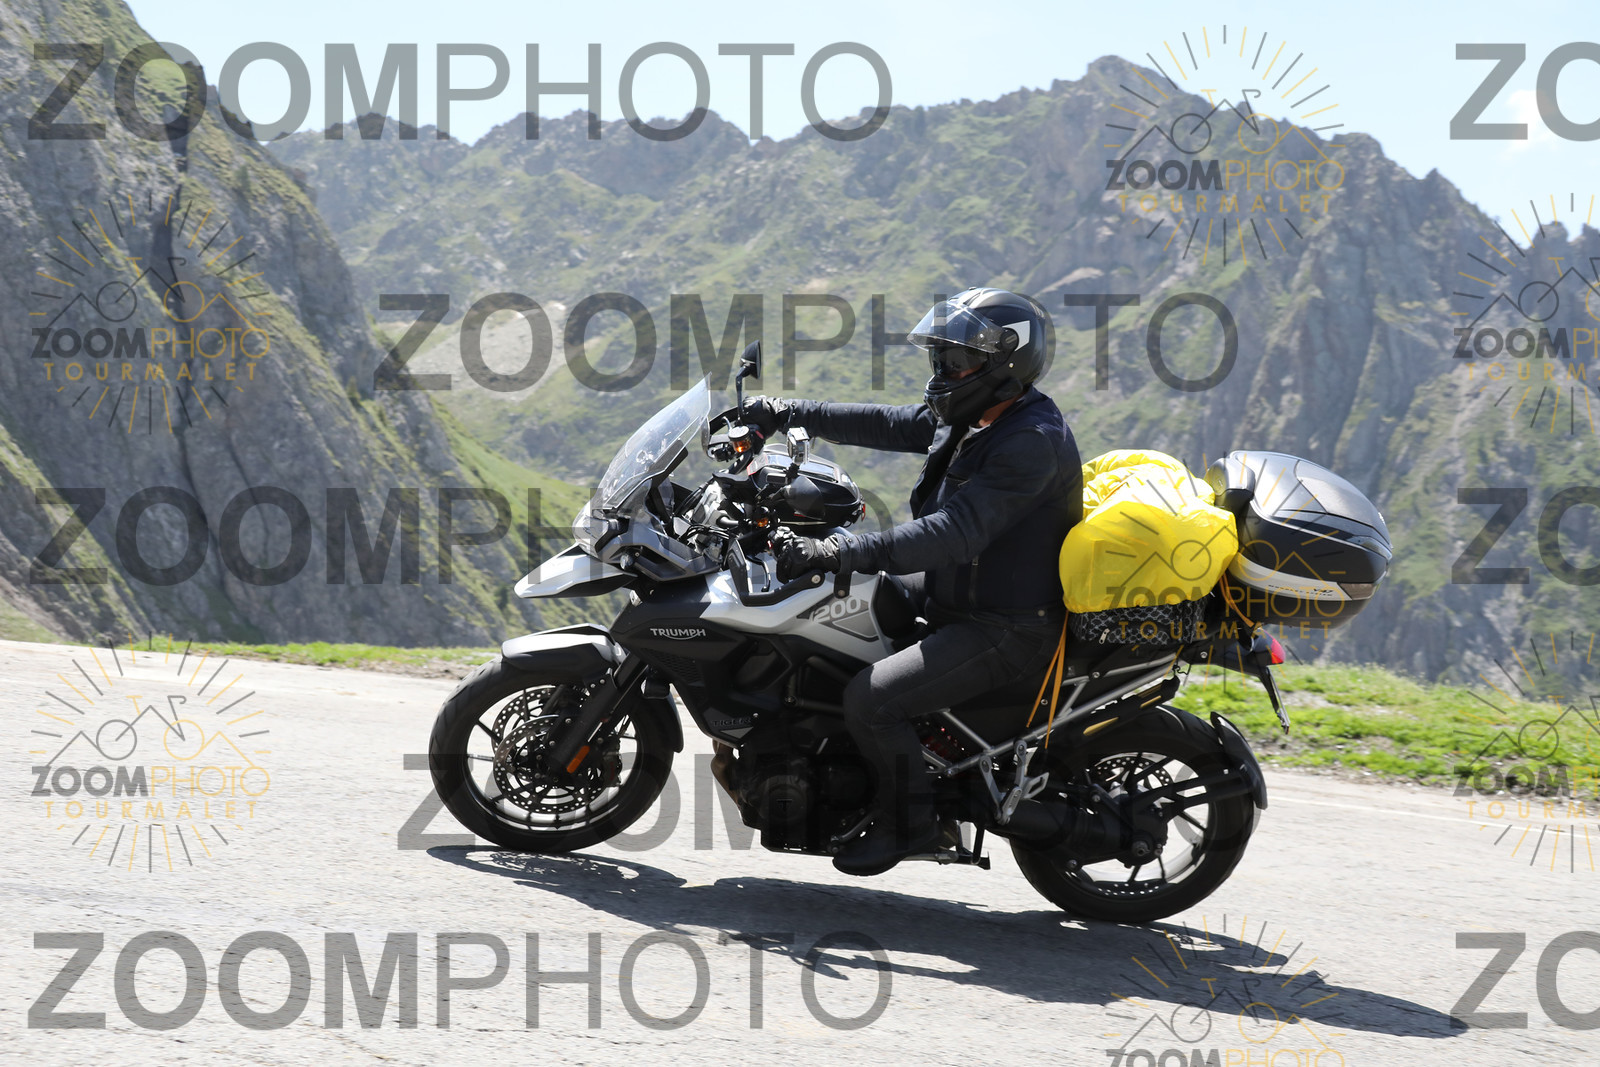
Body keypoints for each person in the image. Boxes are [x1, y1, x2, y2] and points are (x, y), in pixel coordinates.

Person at [743, 287, 1083, 875]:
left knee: (873, 700)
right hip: (958, 592)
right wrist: (786, 412)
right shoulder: (974, 415)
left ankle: (912, 824)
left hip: (1004, 626)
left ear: (1006, 363)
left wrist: (838, 549)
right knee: (831, 611)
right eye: (940, 357)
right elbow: (891, 423)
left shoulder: (1030, 442)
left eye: (957, 360)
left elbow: (953, 534)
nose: (943, 372)